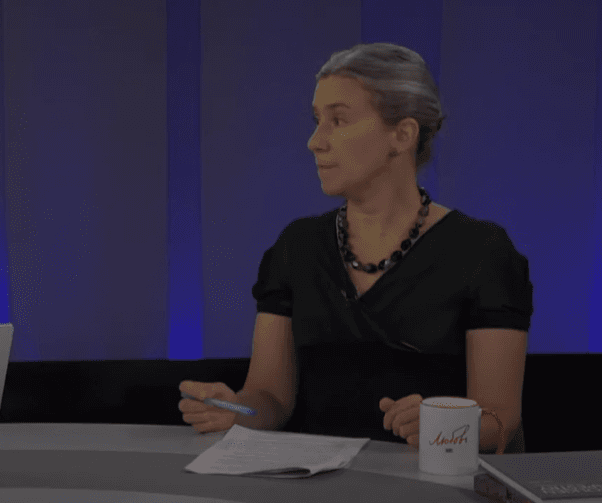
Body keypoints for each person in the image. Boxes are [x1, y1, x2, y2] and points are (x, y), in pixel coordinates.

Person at [179, 43, 532, 455]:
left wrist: (445, 426)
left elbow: (501, 420)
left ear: (402, 135)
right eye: (317, 121)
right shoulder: (297, 247)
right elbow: (271, 399)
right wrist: (236, 410)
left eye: (338, 121)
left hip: (432, 482)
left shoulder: (482, 252)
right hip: (314, 481)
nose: (315, 142)